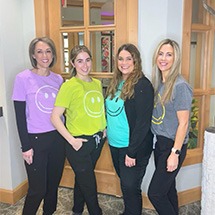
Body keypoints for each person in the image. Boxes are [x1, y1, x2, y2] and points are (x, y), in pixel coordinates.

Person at [12, 37, 65, 215]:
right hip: (35, 141)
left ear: (53, 54)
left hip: (57, 139)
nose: (45, 55)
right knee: (37, 190)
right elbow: (19, 116)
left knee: (52, 187)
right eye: (40, 51)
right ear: (33, 55)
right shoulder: (22, 78)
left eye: (48, 51)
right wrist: (25, 146)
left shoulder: (58, 79)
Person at [51, 45, 106, 215]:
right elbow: (54, 117)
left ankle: (77, 209)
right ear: (73, 63)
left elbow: (97, 109)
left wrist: (103, 129)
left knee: (83, 179)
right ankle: (96, 212)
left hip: (97, 141)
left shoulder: (97, 83)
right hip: (78, 143)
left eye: (87, 60)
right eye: (79, 61)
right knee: (89, 184)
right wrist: (72, 140)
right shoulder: (69, 86)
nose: (84, 65)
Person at [105, 43, 154, 215]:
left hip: (132, 147)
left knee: (130, 187)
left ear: (136, 61)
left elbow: (143, 123)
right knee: (126, 185)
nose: (124, 62)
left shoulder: (142, 85)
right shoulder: (115, 82)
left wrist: (132, 152)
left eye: (128, 58)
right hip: (115, 143)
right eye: (120, 58)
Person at [148, 39, 193, 215]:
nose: (164, 58)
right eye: (161, 53)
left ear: (176, 58)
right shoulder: (159, 83)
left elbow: (184, 123)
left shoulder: (180, 86)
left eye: (169, 54)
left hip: (173, 146)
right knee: (167, 190)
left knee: (155, 194)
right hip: (160, 143)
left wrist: (174, 153)